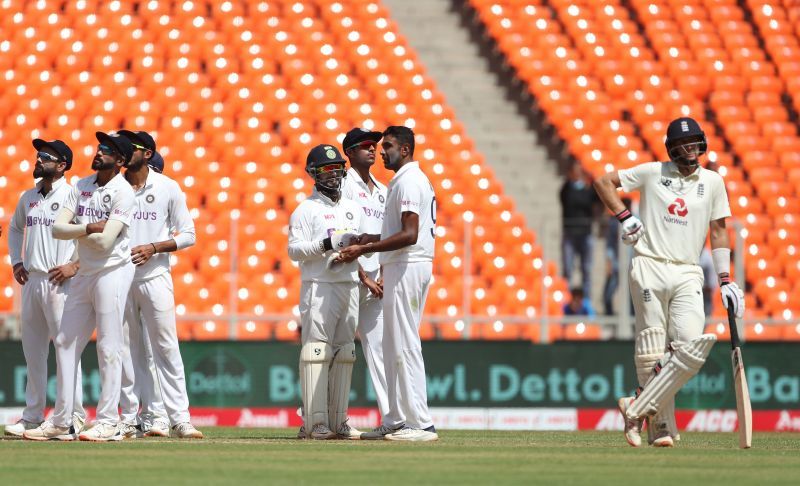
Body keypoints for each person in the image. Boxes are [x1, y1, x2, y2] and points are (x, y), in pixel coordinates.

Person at [593, 117, 744, 448]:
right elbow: (604, 182)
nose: (689, 150)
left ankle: (635, 406)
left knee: (690, 346)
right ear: (672, 149)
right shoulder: (652, 172)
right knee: (651, 346)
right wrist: (625, 216)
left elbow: (718, 230)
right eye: (683, 145)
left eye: (694, 144)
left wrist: (725, 280)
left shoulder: (713, 182)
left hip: (689, 270)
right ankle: (660, 425)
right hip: (649, 264)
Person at [24, 132, 137, 442]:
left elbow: (104, 243)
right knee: (63, 341)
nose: (99, 152)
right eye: (99, 147)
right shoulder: (83, 186)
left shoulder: (123, 193)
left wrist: (80, 232)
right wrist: (87, 226)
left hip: (113, 271)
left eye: (107, 150)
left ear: (121, 161)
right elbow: (58, 229)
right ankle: (62, 420)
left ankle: (108, 421)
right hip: (85, 272)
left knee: (108, 346)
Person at [338, 126, 438, 442]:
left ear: (405, 150)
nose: (382, 151)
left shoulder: (408, 181)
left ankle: (420, 424)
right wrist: (370, 238)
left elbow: (409, 235)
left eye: (389, 146)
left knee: (404, 343)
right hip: (401, 265)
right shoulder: (406, 180)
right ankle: (396, 419)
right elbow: (400, 231)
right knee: (393, 344)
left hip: (408, 265)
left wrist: (365, 249)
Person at [116, 130, 202, 439]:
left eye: (132, 147)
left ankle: (179, 418)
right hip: (119, 278)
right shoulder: (114, 186)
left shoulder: (167, 187)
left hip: (155, 277)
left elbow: (188, 234)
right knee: (125, 349)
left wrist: (154, 247)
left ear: (148, 154)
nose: (124, 151)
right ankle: (129, 417)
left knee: (165, 346)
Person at [5, 139, 85, 438]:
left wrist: (75, 265)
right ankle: (33, 415)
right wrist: (16, 261)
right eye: (38, 156)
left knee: (66, 349)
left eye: (46, 157)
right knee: (33, 351)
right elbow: (15, 228)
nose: (38, 161)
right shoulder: (29, 197)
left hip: (60, 281)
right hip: (33, 280)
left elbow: (91, 231)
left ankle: (73, 415)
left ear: (62, 165)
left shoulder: (73, 194)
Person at [288, 144, 363, 440]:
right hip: (319, 286)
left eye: (336, 170)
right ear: (313, 174)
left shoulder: (352, 207)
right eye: (325, 170)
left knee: (344, 352)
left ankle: (339, 421)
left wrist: (356, 258)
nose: (332, 176)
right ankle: (314, 423)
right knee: (317, 351)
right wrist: (330, 245)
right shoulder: (306, 210)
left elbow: (362, 246)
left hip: (349, 284)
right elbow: (294, 251)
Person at [340, 127, 391, 427]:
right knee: (338, 348)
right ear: (349, 152)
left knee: (381, 351)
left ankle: (392, 418)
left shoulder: (383, 191)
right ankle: (325, 417)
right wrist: (363, 276)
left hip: (377, 281)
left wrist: (383, 272)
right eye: (364, 145)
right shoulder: (343, 186)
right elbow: (345, 239)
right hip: (349, 277)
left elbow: (387, 236)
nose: (373, 149)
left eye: (375, 145)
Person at [560, 163, 600, 298]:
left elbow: (597, 196)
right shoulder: (567, 190)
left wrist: (591, 178)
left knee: (586, 269)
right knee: (568, 269)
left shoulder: (588, 191)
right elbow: (563, 196)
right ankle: (567, 299)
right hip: (570, 233)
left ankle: (586, 299)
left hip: (585, 233)